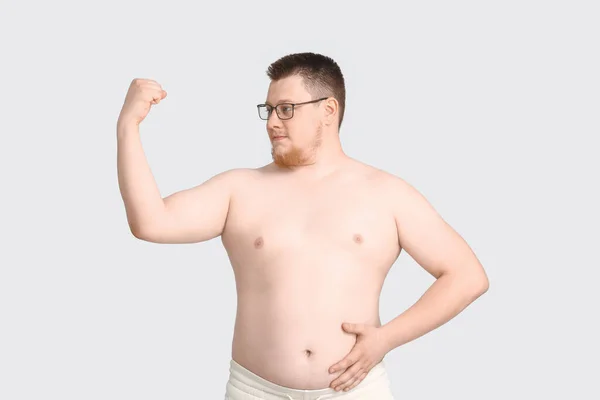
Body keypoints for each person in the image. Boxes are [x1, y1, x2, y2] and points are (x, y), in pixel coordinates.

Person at [116, 52, 489, 400]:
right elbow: (151, 222)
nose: (273, 121)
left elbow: (466, 276)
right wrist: (128, 126)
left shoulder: (386, 193)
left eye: (287, 109)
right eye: (269, 110)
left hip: (355, 390)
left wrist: (386, 339)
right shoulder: (239, 189)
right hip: (254, 389)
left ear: (329, 110)